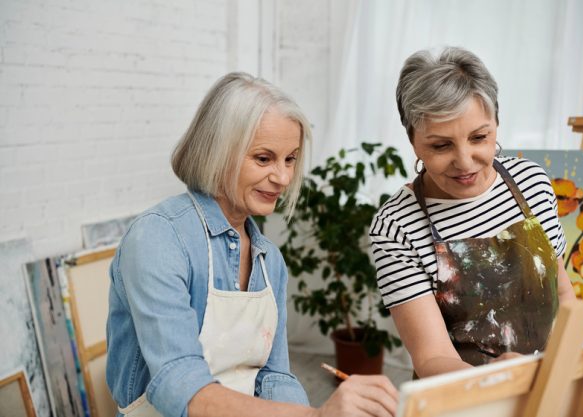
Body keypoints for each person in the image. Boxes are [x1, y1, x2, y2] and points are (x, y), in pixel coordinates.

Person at [106, 72, 398, 417]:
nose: (283, 178)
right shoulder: (159, 239)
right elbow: (180, 385)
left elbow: (274, 376)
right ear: (218, 152)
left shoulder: (269, 261)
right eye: (264, 158)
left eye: (290, 159)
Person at [369, 47, 576, 378]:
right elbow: (432, 356)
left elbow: (563, 294)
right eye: (441, 145)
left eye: (479, 137)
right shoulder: (396, 227)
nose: (465, 162)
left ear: (496, 122)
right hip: (464, 399)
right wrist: (494, 378)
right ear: (413, 141)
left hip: (552, 383)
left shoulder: (532, 184)